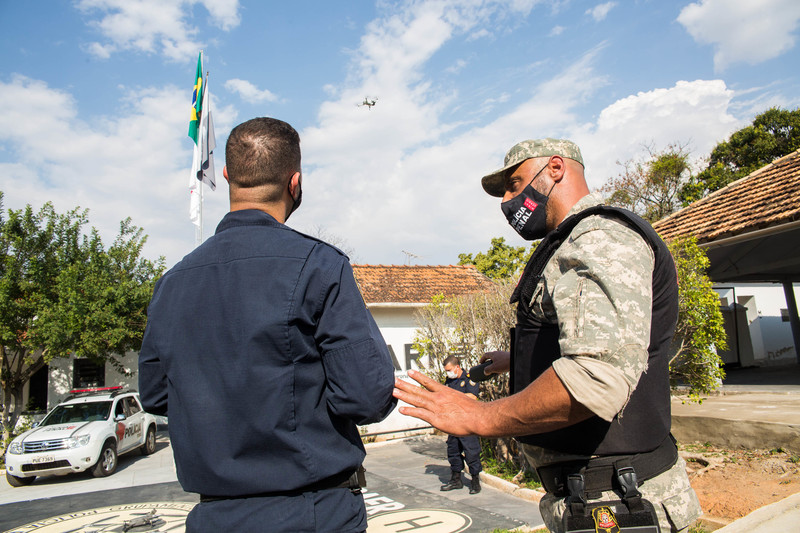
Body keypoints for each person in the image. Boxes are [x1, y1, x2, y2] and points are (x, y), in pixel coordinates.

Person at [394, 139, 702, 532]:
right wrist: (520, 358)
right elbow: (597, 340)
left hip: (618, 499)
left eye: (514, 184)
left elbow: (596, 378)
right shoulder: (570, 241)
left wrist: (480, 416)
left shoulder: (599, 238)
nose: (507, 201)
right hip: (591, 495)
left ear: (555, 169)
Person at [139, 117, 397, 533]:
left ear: (227, 176)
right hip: (313, 513)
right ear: (295, 183)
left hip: (215, 517)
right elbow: (367, 396)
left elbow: (154, 394)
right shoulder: (320, 266)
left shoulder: (171, 283)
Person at [439, 356, 482, 494]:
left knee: (471, 452)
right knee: (453, 451)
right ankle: (456, 480)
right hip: (453, 422)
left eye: (449, 370)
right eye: (446, 371)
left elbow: (473, 397)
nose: (448, 373)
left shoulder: (469, 378)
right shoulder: (449, 380)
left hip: (467, 422)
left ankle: (475, 482)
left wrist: (454, 397)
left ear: (457, 367)